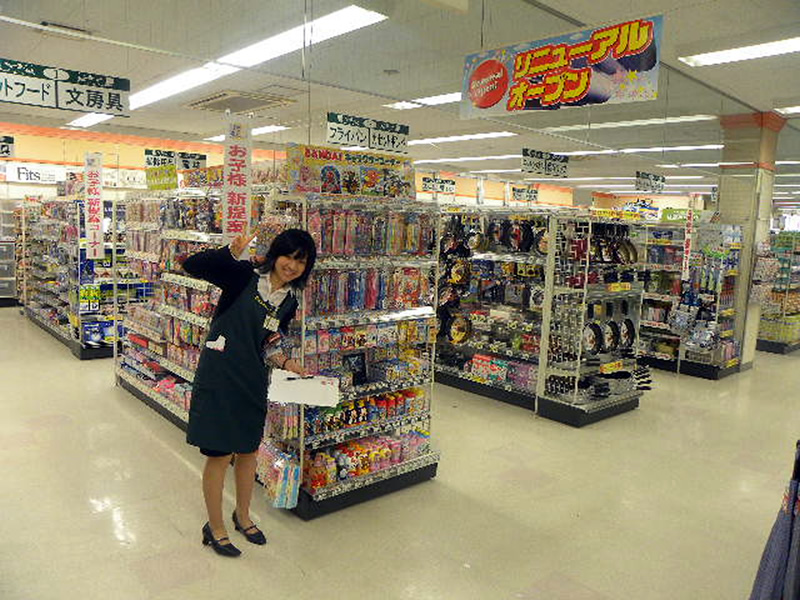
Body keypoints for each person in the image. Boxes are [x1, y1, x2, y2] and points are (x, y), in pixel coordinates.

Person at [182, 228, 316, 558]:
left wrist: (288, 363)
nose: (292, 266)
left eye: (301, 261)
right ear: (275, 254)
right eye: (288, 257)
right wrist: (229, 253)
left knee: (247, 452)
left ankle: (242, 516)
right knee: (218, 455)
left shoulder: (290, 300)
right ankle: (215, 526)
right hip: (220, 375)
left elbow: (270, 341)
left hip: (252, 379)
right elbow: (192, 265)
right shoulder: (243, 275)